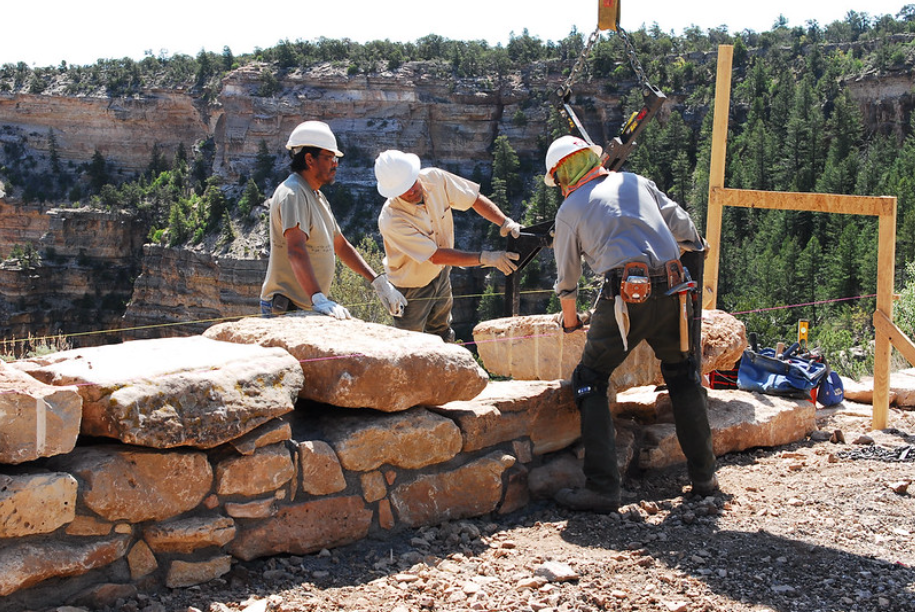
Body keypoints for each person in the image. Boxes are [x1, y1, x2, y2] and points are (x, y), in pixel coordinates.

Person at [545, 135, 717, 513]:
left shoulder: (570, 210)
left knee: (590, 379)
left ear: (563, 175)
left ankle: (603, 488)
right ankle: (705, 478)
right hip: (675, 289)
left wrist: (571, 324)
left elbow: (567, 281)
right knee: (683, 377)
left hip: (625, 297)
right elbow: (687, 230)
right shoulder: (637, 182)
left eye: (557, 180)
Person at [260, 121, 407, 319]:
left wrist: (378, 282)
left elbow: (341, 245)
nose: (335, 164)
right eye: (329, 158)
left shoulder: (316, 196)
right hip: (287, 308)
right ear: (310, 160)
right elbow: (295, 250)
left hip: (306, 305)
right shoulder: (292, 194)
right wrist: (318, 298)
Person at [373, 150, 521, 342]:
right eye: (403, 190)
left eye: (411, 183)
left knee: (442, 330)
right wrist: (485, 258)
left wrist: (505, 222)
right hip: (411, 287)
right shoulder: (392, 219)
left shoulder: (435, 178)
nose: (410, 191)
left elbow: (473, 198)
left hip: (441, 274)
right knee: (409, 340)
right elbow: (435, 255)